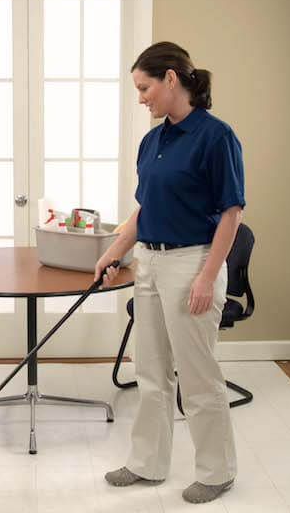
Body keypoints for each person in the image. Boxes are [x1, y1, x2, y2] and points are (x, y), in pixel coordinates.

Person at [94, 41, 245, 504]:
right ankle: (147, 463)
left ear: (171, 80)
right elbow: (145, 208)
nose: (141, 97)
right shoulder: (153, 139)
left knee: (197, 375)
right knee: (152, 371)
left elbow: (231, 213)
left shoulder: (216, 136)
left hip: (192, 262)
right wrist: (114, 251)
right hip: (150, 263)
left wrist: (206, 276)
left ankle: (217, 472)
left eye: (144, 87)